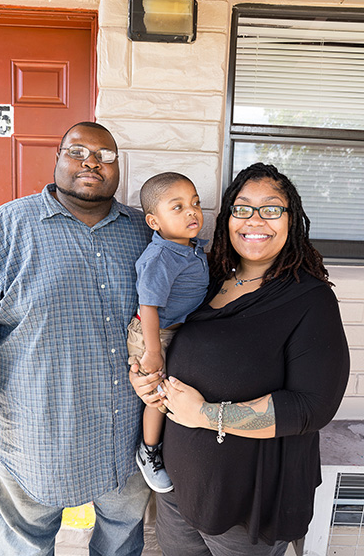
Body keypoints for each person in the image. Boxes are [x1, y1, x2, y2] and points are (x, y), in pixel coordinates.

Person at [130, 162, 350, 556]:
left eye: (271, 209)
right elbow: (166, 338)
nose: (255, 220)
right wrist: (145, 380)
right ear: (229, 216)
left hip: (250, 508)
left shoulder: (310, 300)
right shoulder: (205, 279)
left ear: (291, 219)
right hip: (178, 491)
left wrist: (207, 415)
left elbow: (311, 407)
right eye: (242, 208)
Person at [0, 121, 153, 556]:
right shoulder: (7, 227)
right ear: (57, 159)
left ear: (117, 167)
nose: (91, 162)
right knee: (26, 541)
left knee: (122, 536)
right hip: (37, 429)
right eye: (78, 151)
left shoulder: (144, 232)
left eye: (105, 155)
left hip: (125, 429)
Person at [127, 172, 209, 494]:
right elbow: (148, 305)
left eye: (195, 203)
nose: (192, 212)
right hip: (152, 335)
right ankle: (148, 451)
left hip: (171, 333)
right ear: (154, 221)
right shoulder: (161, 256)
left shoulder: (189, 248)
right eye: (177, 207)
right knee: (158, 397)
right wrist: (152, 350)